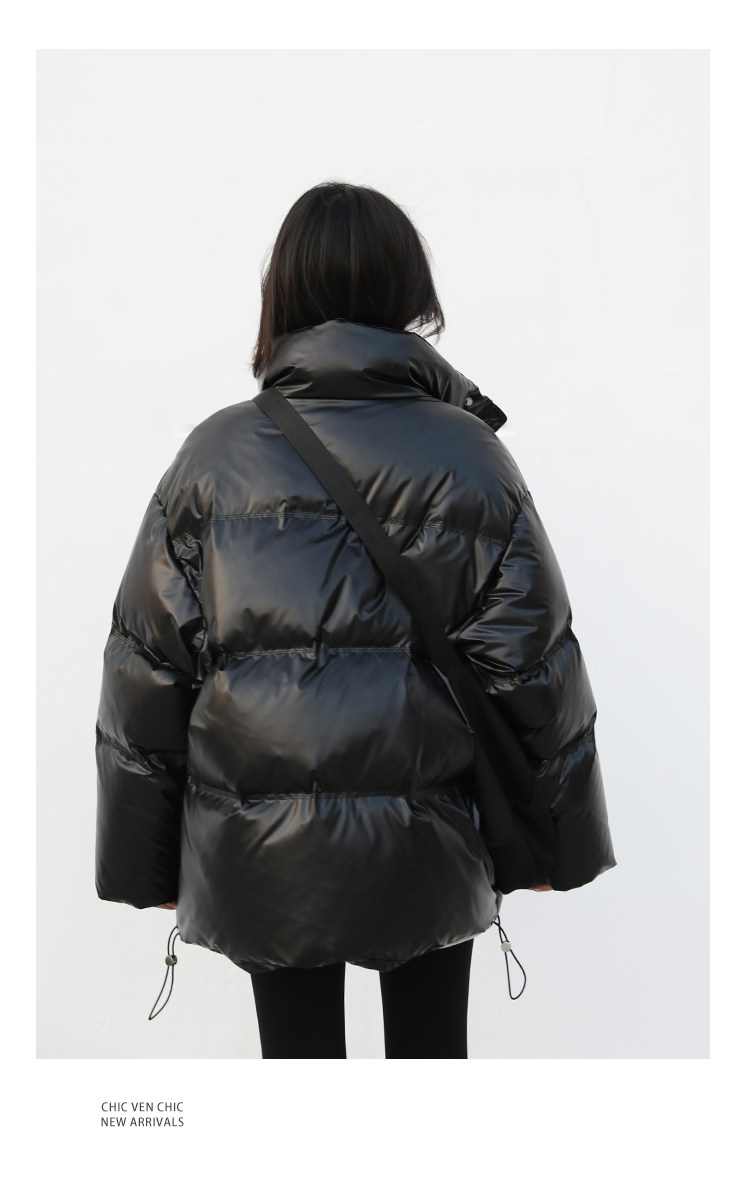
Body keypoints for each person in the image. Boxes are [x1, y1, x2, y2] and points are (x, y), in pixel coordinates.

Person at [94, 180, 616, 1059]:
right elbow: (532, 661)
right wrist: (558, 846)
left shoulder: (213, 458)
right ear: (408, 289)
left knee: (300, 1083)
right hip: (428, 840)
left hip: (263, 848)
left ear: (282, 292)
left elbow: (147, 669)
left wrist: (145, 863)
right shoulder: (469, 454)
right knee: (429, 1069)